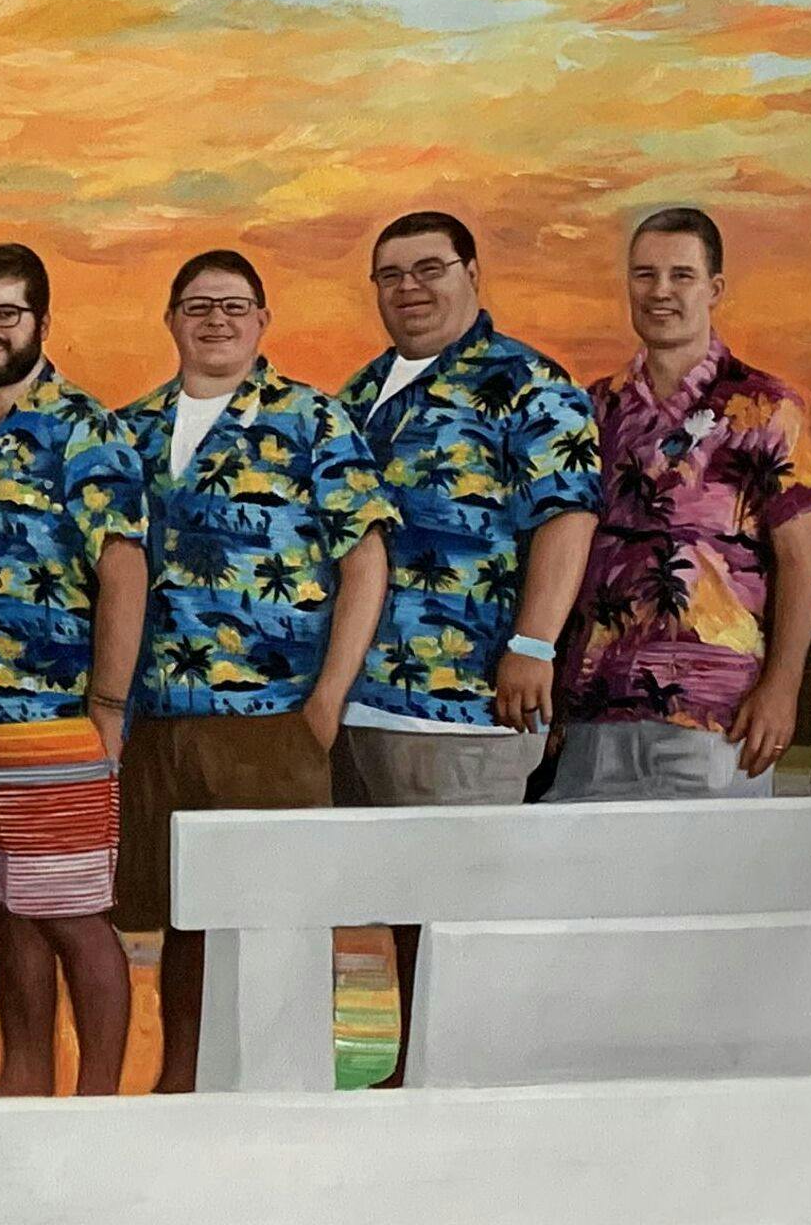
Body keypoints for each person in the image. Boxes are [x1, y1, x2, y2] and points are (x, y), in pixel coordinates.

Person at [120, 250, 394, 1095]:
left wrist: (327, 701)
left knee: (283, 923)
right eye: (198, 306)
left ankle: (286, 1096)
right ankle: (182, 1085)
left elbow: (365, 560)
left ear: (263, 321)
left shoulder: (311, 421)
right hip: (158, 719)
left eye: (235, 306)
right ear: (171, 319)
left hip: (273, 718)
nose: (216, 321)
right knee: (183, 921)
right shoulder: (128, 430)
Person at [333, 213, 599, 1076]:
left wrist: (535, 643)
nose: (409, 288)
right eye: (390, 275)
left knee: (468, 910)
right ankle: (418, 1073)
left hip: (468, 701)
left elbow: (566, 517)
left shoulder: (528, 383)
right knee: (405, 909)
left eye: (429, 268)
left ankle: (475, 1083)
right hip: (364, 701)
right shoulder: (361, 394)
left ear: (473, 273)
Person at [0, 245, 142, 1100]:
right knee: (0, 909)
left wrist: (107, 705)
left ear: (42, 322)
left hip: (55, 722)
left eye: (6, 314)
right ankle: (25, 1079)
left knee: (73, 914)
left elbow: (123, 571)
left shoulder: (84, 428)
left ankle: (100, 1100)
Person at [559, 207, 811, 800]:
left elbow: (802, 559)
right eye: (645, 275)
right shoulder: (591, 409)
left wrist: (782, 688)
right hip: (595, 707)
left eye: (681, 275)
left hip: (717, 712)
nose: (660, 291)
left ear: (714, 289)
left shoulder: (764, 407)